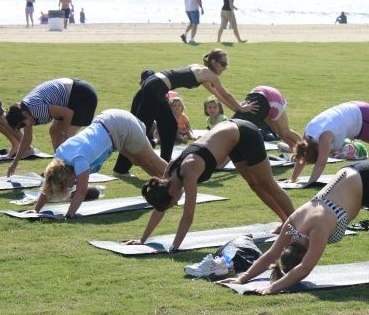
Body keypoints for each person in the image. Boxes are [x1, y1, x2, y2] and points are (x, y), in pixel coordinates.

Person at [218, 162, 369, 294]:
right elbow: (271, 256)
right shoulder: (293, 225)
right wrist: (243, 278)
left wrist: (271, 287)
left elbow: (304, 269)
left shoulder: (316, 228)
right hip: (354, 177)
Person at [125, 119, 295, 250]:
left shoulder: (188, 171)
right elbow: (159, 209)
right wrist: (143, 239)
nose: (177, 202)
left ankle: (298, 226)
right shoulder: (168, 174)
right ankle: (285, 221)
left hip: (244, 133)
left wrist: (174, 247)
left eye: (173, 202)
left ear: (171, 192)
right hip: (231, 141)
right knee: (254, 185)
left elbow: (188, 216)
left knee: (267, 184)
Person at [120, 49, 256, 166]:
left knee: (168, 126)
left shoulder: (204, 72)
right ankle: (122, 168)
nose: (225, 68)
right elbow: (225, 93)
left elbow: (218, 94)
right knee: (141, 128)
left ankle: (163, 165)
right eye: (223, 64)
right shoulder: (210, 74)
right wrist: (241, 108)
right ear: (214, 62)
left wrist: (237, 109)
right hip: (155, 87)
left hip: (155, 85)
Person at [33, 109, 166, 219]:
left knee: (151, 162)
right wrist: (36, 210)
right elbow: (48, 184)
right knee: (138, 161)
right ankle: (167, 188)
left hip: (120, 125)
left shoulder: (79, 161)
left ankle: (177, 184)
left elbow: (81, 191)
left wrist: (69, 215)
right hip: (109, 122)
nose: (70, 186)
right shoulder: (59, 158)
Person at [5, 77, 98, 177]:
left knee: (65, 141)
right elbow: (27, 140)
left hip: (83, 96)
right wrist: (14, 163)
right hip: (74, 92)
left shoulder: (35, 109)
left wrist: (65, 134)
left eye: (23, 124)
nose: (25, 126)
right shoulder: (26, 111)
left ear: (24, 113)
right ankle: (60, 168)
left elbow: (68, 113)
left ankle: (65, 172)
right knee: (54, 132)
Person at [289, 101, 369, 186]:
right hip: (356, 109)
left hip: (366, 118)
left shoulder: (325, 135)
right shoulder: (309, 134)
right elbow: (301, 156)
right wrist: (292, 179)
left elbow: (320, 163)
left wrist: (310, 183)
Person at [233, 85, 301, 151]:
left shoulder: (275, 106)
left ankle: (306, 148)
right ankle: (293, 149)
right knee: (277, 132)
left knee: (285, 132)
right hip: (260, 95)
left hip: (273, 99)